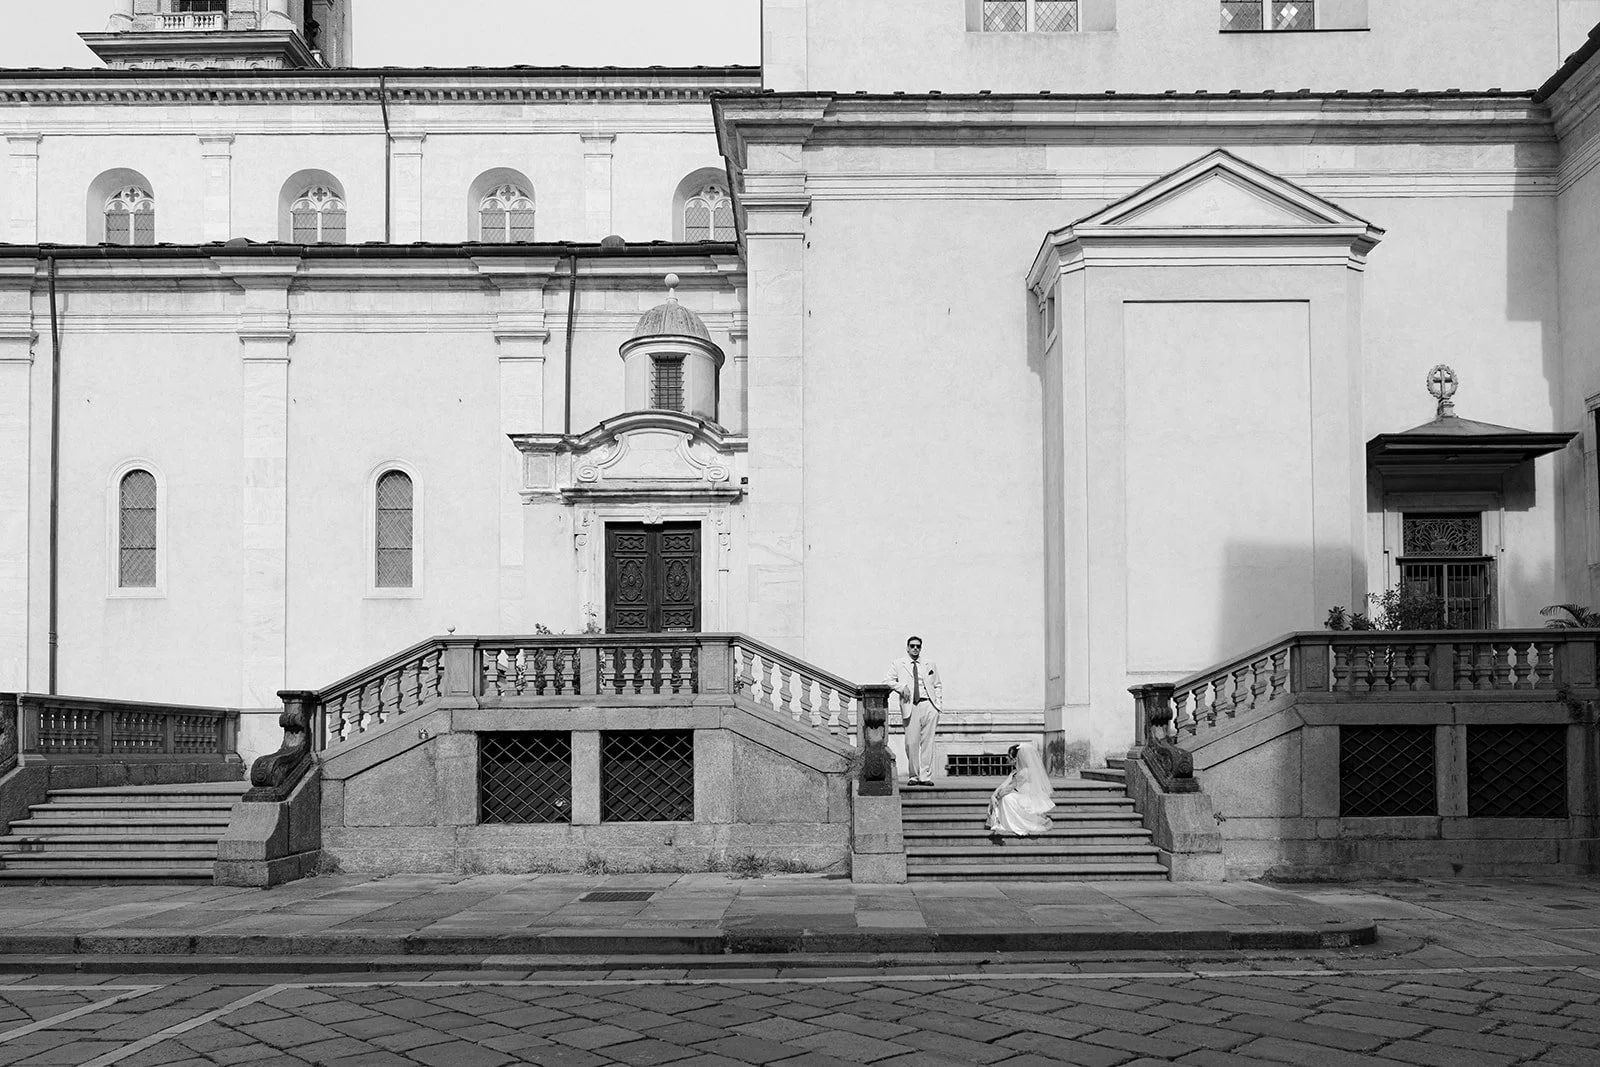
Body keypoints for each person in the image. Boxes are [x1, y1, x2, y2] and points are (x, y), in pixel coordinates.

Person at [886, 635, 942, 786]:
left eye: (918, 646)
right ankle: (913, 775)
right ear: (907, 647)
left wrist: (937, 705)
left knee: (928, 743)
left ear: (921, 648)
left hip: (928, 705)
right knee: (911, 742)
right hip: (910, 706)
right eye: (912, 646)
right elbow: (888, 681)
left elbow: (937, 685)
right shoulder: (899, 664)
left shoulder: (930, 664)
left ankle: (925, 776)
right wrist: (901, 687)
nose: (915, 648)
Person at [987, 740, 1054, 837]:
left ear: (1016, 759)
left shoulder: (1024, 772)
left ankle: (1013, 824)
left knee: (1007, 798)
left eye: (1009, 756)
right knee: (1006, 797)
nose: (1007, 758)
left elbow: (1008, 788)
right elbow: (1003, 785)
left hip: (1028, 800)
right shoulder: (1016, 771)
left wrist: (997, 796)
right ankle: (1006, 823)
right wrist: (994, 795)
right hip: (1021, 797)